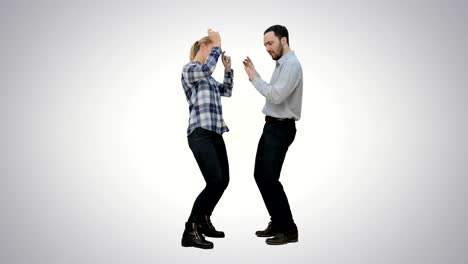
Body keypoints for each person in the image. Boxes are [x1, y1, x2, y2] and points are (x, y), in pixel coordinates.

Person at [243, 25, 303, 245]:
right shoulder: (282, 64)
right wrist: (257, 76)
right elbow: (275, 94)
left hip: (281, 128)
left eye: (270, 43)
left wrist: (254, 78)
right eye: (265, 45)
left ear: (283, 40)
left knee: (268, 178)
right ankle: (277, 221)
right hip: (271, 127)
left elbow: (276, 96)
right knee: (261, 176)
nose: (267, 48)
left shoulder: (291, 65)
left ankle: (289, 229)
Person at [180, 29, 233, 249]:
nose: (216, 53)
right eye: (213, 48)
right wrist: (218, 42)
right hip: (200, 133)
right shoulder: (190, 70)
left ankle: (203, 220)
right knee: (214, 182)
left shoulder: (208, 78)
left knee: (223, 180)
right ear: (203, 47)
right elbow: (207, 67)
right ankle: (190, 230)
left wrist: (228, 70)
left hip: (214, 133)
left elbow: (227, 91)